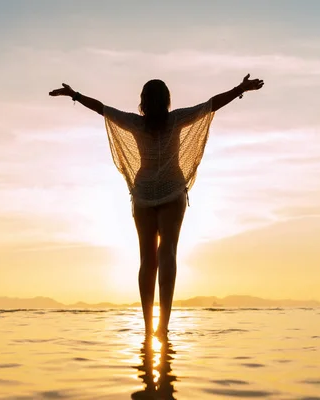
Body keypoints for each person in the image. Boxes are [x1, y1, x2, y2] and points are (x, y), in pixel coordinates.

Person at [49, 74, 264, 338]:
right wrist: (240, 88)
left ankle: (149, 327)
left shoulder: (135, 123)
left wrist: (75, 95)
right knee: (168, 254)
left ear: (143, 102)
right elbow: (211, 104)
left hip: (144, 193)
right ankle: (163, 326)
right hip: (172, 190)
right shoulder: (176, 119)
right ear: (167, 101)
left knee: (147, 259)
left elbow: (102, 109)